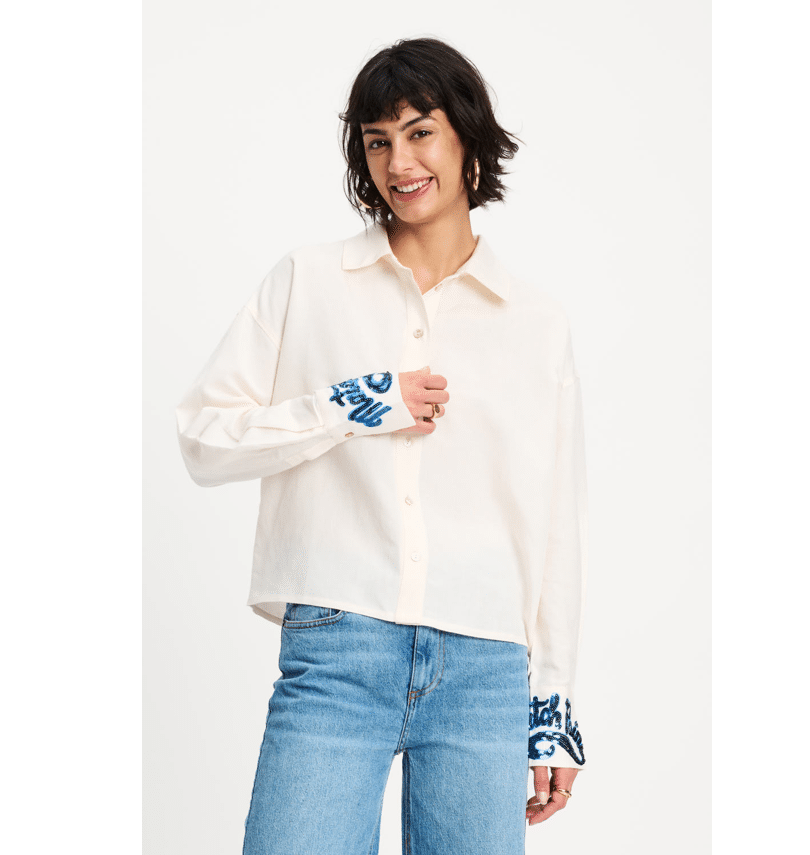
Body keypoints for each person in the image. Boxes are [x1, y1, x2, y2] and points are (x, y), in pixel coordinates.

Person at [176, 37, 589, 855]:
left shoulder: (535, 322)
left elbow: (555, 526)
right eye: (376, 140)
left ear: (467, 139)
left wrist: (552, 702)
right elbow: (203, 438)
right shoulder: (308, 281)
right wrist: (352, 404)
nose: (397, 162)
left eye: (419, 132)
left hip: (484, 667)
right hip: (339, 649)